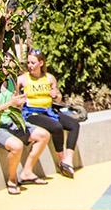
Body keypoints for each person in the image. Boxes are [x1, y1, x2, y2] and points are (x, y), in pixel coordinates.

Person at [17, 48, 82, 179]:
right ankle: (61, 160)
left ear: (41, 63)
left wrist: (55, 95)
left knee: (74, 124)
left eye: (33, 63)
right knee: (56, 127)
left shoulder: (50, 78)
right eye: (28, 63)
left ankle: (68, 160)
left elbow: (58, 98)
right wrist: (20, 101)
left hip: (48, 111)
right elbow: (15, 100)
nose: (30, 66)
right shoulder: (22, 79)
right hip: (32, 113)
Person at [0, 69, 49, 194]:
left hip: (12, 121)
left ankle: (27, 173)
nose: (7, 64)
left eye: (9, 61)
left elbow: (14, 104)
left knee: (43, 135)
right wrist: (10, 103)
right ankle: (12, 180)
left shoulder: (11, 80)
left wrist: (19, 103)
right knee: (17, 146)